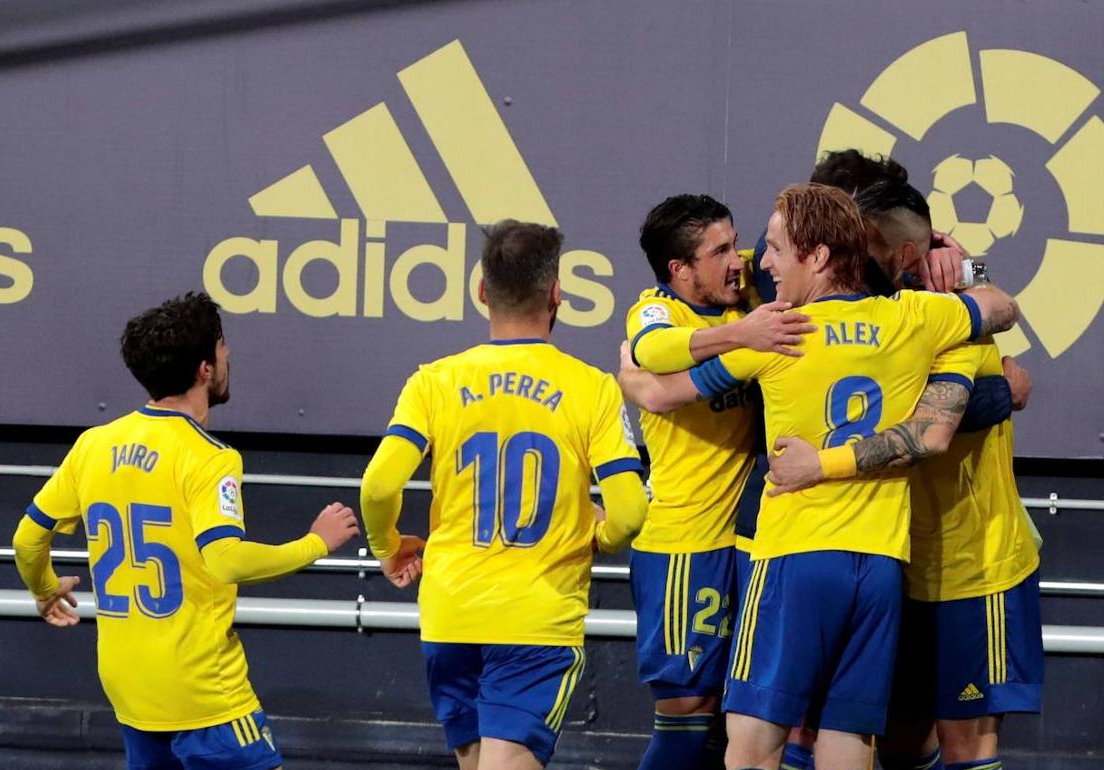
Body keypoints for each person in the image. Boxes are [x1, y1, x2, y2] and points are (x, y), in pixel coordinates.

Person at [620, 183, 1020, 769]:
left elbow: (662, 385)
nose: (764, 262)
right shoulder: (915, 317)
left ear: (818, 256)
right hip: (882, 566)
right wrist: (954, 257)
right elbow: (1002, 306)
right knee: (847, 742)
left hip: (793, 558)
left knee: (753, 748)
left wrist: (632, 378)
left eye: (777, 247)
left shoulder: (781, 333)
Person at [12, 291, 360, 770]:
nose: (229, 354)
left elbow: (27, 540)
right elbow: (226, 559)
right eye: (221, 347)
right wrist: (315, 542)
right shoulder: (209, 458)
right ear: (204, 369)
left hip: (130, 691)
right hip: (205, 696)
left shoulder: (93, 445)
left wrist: (45, 589)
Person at [768, 178, 1044, 770]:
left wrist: (962, 261)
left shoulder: (939, 319)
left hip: (970, 566)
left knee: (966, 743)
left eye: (863, 247)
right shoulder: (820, 320)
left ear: (903, 256)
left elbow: (961, 411)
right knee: (887, 738)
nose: (850, 260)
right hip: (887, 564)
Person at [359, 220, 649, 770]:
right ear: (557, 292)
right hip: (536, 621)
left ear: (481, 291)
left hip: (450, 614)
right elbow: (631, 511)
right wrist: (599, 535)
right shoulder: (591, 387)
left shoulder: (433, 382)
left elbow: (377, 486)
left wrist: (388, 546)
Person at [623, 193, 813, 769]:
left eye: (737, 243)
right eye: (720, 250)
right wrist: (743, 336)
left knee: (763, 716)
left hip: (753, 541)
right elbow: (649, 350)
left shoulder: (748, 289)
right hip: (685, 543)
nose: (739, 259)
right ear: (680, 269)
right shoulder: (657, 310)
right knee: (688, 713)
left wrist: (940, 250)